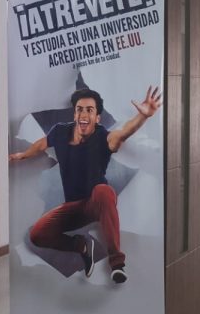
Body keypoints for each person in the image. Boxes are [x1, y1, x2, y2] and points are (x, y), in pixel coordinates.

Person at [9, 86, 162, 284]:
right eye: (80, 109)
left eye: (90, 110)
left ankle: (117, 264)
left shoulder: (103, 137)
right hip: (72, 207)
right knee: (37, 234)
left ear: (97, 118)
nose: (83, 114)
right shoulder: (61, 132)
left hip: (96, 202)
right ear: (75, 114)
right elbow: (42, 143)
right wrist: (23, 155)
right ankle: (82, 246)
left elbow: (123, 133)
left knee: (103, 191)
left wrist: (143, 116)